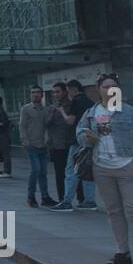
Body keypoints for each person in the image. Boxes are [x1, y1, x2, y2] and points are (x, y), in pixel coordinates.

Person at [80, 73, 133, 264]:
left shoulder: (129, 112)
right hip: (102, 167)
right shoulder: (91, 112)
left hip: (127, 167)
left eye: (114, 86)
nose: (111, 89)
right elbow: (79, 133)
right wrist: (86, 137)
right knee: (114, 211)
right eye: (106, 86)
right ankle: (122, 252)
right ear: (98, 89)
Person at [51, 79, 99, 211]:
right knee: (87, 171)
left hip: (78, 141)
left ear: (73, 89)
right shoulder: (90, 102)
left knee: (71, 171)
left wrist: (61, 111)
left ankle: (66, 201)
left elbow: (70, 121)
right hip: (90, 141)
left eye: (68, 90)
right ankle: (90, 201)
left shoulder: (76, 102)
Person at [20, 87, 56, 208]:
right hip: (31, 145)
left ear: (42, 95)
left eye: (37, 92)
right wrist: (24, 140)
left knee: (43, 172)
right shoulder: (26, 109)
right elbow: (22, 126)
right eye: (32, 92)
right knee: (35, 170)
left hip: (43, 145)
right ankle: (31, 197)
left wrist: (52, 113)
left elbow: (47, 125)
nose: (35, 94)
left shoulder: (44, 110)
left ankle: (45, 197)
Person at [45, 82, 72, 202]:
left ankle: (80, 197)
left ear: (65, 92)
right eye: (54, 92)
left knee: (73, 173)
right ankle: (62, 198)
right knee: (59, 173)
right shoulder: (51, 108)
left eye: (58, 91)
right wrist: (52, 113)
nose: (55, 94)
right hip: (56, 145)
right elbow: (46, 124)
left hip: (70, 143)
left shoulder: (71, 105)